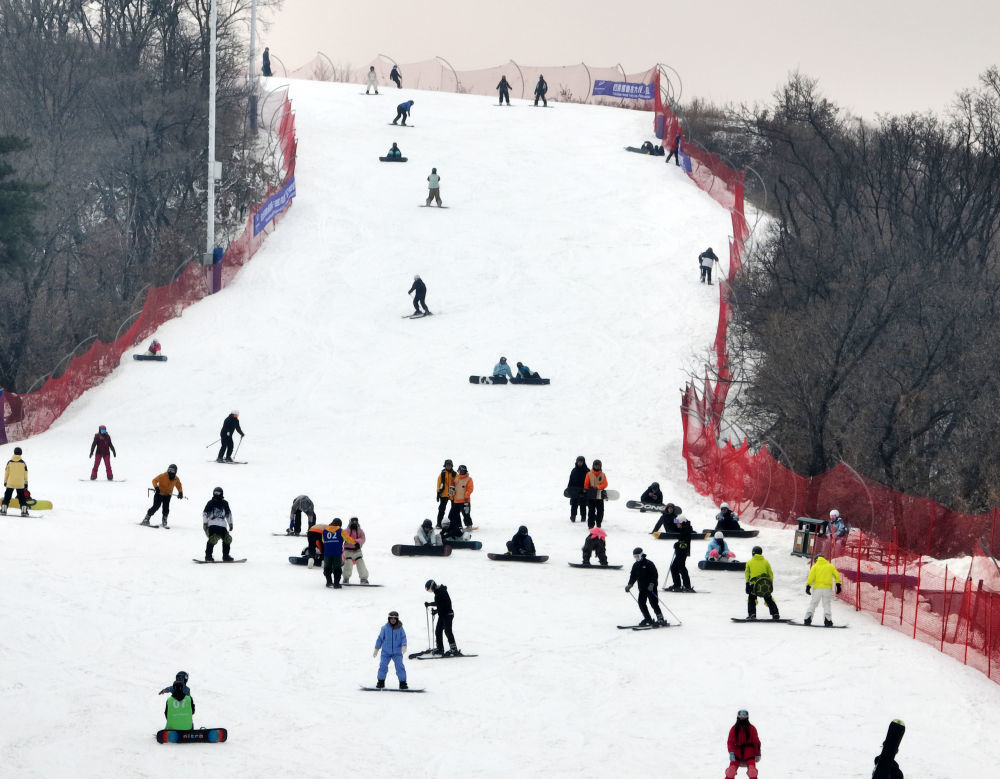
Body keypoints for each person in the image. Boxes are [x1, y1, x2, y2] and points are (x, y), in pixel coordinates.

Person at [626, 547, 666, 626]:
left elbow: (654, 575)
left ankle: (660, 619)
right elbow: (633, 576)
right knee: (641, 603)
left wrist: (652, 584)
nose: (636, 558)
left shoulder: (648, 563)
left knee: (654, 604)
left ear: (641, 555)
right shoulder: (635, 565)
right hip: (642, 588)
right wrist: (630, 584)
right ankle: (648, 618)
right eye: (635, 556)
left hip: (651, 588)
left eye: (637, 556)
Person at [372, 611, 408, 689]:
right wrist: (376, 648)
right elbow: (380, 639)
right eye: (391, 619)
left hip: (397, 652)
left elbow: (403, 638)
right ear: (389, 619)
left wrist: (404, 645)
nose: (393, 620)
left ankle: (403, 683)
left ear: (397, 619)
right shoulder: (384, 628)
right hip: (386, 652)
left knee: (400, 667)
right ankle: (381, 682)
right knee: (383, 666)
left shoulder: (400, 629)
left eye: (395, 619)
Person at [804, 554, 842, 626]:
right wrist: (838, 585)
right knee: (826, 604)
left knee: (813, 603)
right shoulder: (830, 566)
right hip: (827, 589)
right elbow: (837, 575)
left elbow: (811, 577)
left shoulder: (815, 567)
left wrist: (808, 586)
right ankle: (828, 620)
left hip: (817, 588)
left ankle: (807, 619)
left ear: (816, 560)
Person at [425, 580, 460, 655]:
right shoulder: (438, 592)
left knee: (447, 630)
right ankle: (440, 648)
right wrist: (429, 604)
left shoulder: (441, 592)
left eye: (430, 590)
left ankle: (454, 649)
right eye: (429, 591)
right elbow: (439, 603)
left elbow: (444, 605)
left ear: (433, 586)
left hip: (448, 614)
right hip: (443, 615)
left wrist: (436, 611)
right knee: (438, 631)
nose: (431, 591)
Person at [745, 545, 780, 620]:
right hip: (764, 584)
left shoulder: (749, 562)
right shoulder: (766, 562)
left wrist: (747, 584)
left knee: (751, 598)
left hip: (754, 586)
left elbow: (747, 574)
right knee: (769, 598)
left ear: (753, 553)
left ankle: (752, 614)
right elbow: (770, 574)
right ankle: (775, 613)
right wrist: (770, 584)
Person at [725, 709, 761, 778]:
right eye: (741, 715)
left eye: (744, 715)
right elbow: (730, 742)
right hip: (736, 755)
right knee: (730, 772)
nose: (742, 717)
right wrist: (731, 752)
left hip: (749, 755)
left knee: (752, 772)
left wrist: (757, 754)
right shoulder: (734, 729)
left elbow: (756, 742)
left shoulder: (752, 729)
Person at [321, 517, 356, 588]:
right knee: (337, 568)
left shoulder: (324, 531)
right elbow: (348, 539)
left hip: (327, 553)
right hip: (337, 553)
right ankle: (336, 583)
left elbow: (323, 541)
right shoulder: (340, 531)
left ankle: (329, 582)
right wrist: (355, 543)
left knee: (327, 567)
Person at [202, 486, 234, 562]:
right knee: (213, 539)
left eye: (218, 493)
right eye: (215, 493)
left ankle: (226, 556)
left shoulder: (225, 503)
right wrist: (205, 523)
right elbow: (205, 513)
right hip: (212, 525)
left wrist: (230, 523)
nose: (216, 494)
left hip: (222, 525)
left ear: (221, 493)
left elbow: (228, 514)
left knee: (227, 539)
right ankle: (208, 556)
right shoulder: (210, 503)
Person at [666, 515, 694, 591]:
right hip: (680, 551)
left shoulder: (686, 530)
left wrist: (677, 545)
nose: (676, 524)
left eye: (678, 523)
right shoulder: (683, 528)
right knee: (674, 567)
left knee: (681, 568)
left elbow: (685, 544)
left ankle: (687, 586)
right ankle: (677, 584)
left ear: (682, 523)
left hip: (683, 552)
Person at [1, 446, 29, 516]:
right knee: (22, 497)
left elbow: (6, 472)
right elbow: (25, 473)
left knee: (7, 496)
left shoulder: (9, 462)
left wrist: (5, 481)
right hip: (20, 483)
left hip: (10, 483)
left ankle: (4, 509)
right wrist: (26, 482)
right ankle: (24, 510)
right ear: (20, 453)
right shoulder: (23, 463)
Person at [343, 517, 370, 584]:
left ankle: (363, 578)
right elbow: (346, 538)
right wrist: (356, 542)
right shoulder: (347, 530)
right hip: (348, 551)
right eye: (353, 521)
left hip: (357, 551)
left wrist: (357, 542)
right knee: (348, 564)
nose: (354, 522)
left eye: (355, 521)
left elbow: (363, 539)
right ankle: (346, 578)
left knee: (360, 563)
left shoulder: (360, 531)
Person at [584, 459, 609, 529]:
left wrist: (598, 487)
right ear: (593, 466)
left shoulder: (603, 475)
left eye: (598, 466)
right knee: (591, 511)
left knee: (600, 511)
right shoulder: (589, 474)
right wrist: (589, 489)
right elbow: (586, 485)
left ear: (600, 466)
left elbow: (605, 484)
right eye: (595, 465)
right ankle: (590, 525)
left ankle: (598, 524)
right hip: (591, 496)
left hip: (599, 496)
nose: (597, 467)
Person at [448, 464, 473, 529]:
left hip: (465, 500)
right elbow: (453, 488)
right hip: (456, 500)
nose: (461, 472)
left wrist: (466, 495)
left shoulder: (469, 479)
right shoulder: (456, 479)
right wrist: (451, 495)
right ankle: (459, 526)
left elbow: (470, 488)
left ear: (465, 471)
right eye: (460, 471)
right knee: (454, 514)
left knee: (466, 514)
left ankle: (469, 525)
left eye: (463, 471)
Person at [566, 455, 589, 523]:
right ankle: (573, 517)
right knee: (574, 504)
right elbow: (571, 480)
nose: (580, 463)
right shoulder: (574, 470)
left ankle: (583, 517)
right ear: (576, 462)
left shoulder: (587, 470)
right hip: (574, 490)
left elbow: (589, 481)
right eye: (579, 461)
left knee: (583, 504)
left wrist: (587, 490)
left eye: (581, 462)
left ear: (583, 462)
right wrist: (569, 488)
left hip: (583, 490)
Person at [435, 459, 456, 527]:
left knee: (454, 509)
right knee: (441, 509)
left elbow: (458, 483)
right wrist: (438, 494)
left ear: (451, 466)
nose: (448, 466)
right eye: (447, 465)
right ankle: (439, 523)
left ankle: (453, 523)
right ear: (445, 466)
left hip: (453, 494)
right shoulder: (442, 474)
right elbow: (439, 484)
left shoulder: (455, 474)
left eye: (450, 465)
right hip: (443, 494)